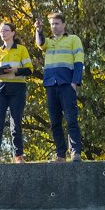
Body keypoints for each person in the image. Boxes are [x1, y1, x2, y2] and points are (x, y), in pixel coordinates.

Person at [34, 12, 85, 162]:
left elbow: (79, 62)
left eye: (56, 23)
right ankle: (61, 155)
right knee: (55, 122)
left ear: (64, 24)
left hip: (67, 84)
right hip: (51, 84)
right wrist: (38, 30)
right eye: (51, 24)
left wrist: (75, 82)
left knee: (71, 119)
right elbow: (40, 43)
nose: (54, 27)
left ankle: (75, 152)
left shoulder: (73, 39)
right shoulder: (49, 42)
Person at [0, 21, 34, 163]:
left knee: (16, 122)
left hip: (17, 88)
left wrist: (15, 70)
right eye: (1, 31)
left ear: (13, 32)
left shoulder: (21, 49)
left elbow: (29, 69)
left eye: (6, 30)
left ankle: (18, 155)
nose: (3, 33)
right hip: (0, 87)